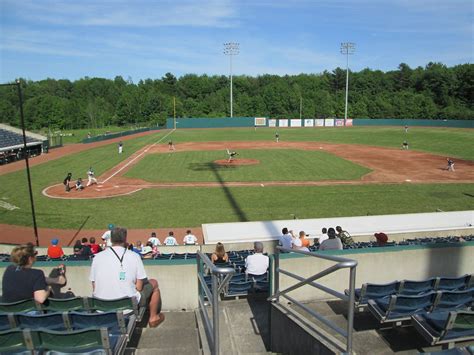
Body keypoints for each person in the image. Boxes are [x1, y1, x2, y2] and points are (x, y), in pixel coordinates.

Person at [89, 227, 165, 328]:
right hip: (127, 308)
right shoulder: (134, 256)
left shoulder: (97, 257)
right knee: (154, 283)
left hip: (101, 308)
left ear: (111, 240)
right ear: (125, 239)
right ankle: (153, 318)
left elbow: (94, 287)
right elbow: (139, 287)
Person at [1, 243, 66, 303]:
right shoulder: (37, 274)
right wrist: (48, 290)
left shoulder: (9, 269)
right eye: (35, 253)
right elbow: (40, 299)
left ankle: (58, 280)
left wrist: (56, 280)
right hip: (28, 313)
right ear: (30, 259)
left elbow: (30, 278)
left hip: (8, 311)